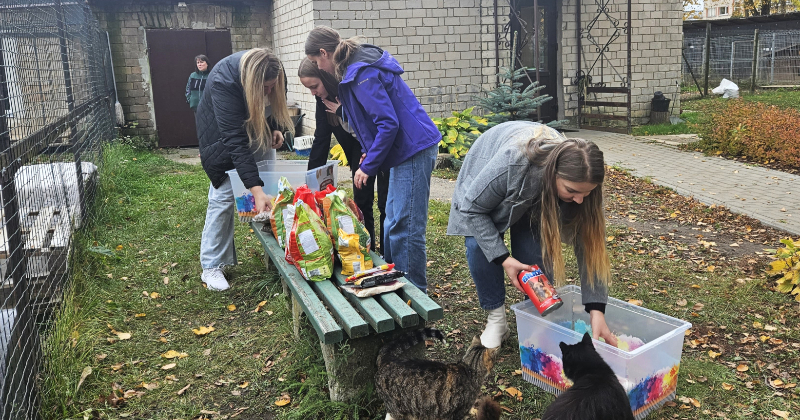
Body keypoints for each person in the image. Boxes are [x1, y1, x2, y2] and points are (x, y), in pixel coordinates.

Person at [447, 121, 617, 349]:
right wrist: (504, 260)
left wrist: (597, 310)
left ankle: (537, 318)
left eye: (587, 193)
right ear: (553, 173)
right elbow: (472, 208)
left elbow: (590, 246)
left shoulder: (584, 190)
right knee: (479, 244)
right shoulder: (513, 162)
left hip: (537, 191)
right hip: (487, 178)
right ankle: (496, 319)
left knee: (534, 249)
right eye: (572, 191)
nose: (579, 200)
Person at [304, 26, 440, 292]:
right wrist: (370, 150)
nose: (318, 67)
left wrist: (367, 166)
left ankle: (415, 297)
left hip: (413, 149)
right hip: (404, 150)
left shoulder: (361, 72)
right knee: (392, 222)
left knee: (405, 226)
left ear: (324, 53)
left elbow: (388, 123)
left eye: (316, 62)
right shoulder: (355, 68)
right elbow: (374, 121)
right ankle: (395, 281)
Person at [195, 48, 293, 291]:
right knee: (223, 196)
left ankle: (274, 241)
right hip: (222, 138)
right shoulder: (223, 82)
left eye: (273, 86)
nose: (270, 91)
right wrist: (255, 190)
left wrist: (274, 126)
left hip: (254, 127)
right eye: (265, 88)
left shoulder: (274, 72)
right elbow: (235, 141)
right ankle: (211, 266)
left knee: (266, 186)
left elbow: (272, 104)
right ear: (251, 82)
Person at [297, 57, 389, 253]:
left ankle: (389, 253)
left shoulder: (348, 88)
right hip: (356, 149)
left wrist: (342, 112)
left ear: (325, 77)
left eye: (314, 86)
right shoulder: (321, 100)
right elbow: (321, 138)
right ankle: (368, 250)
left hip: (378, 145)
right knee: (362, 200)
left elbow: (371, 121)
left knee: (385, 202)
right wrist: (310, 181)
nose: (313, 93)